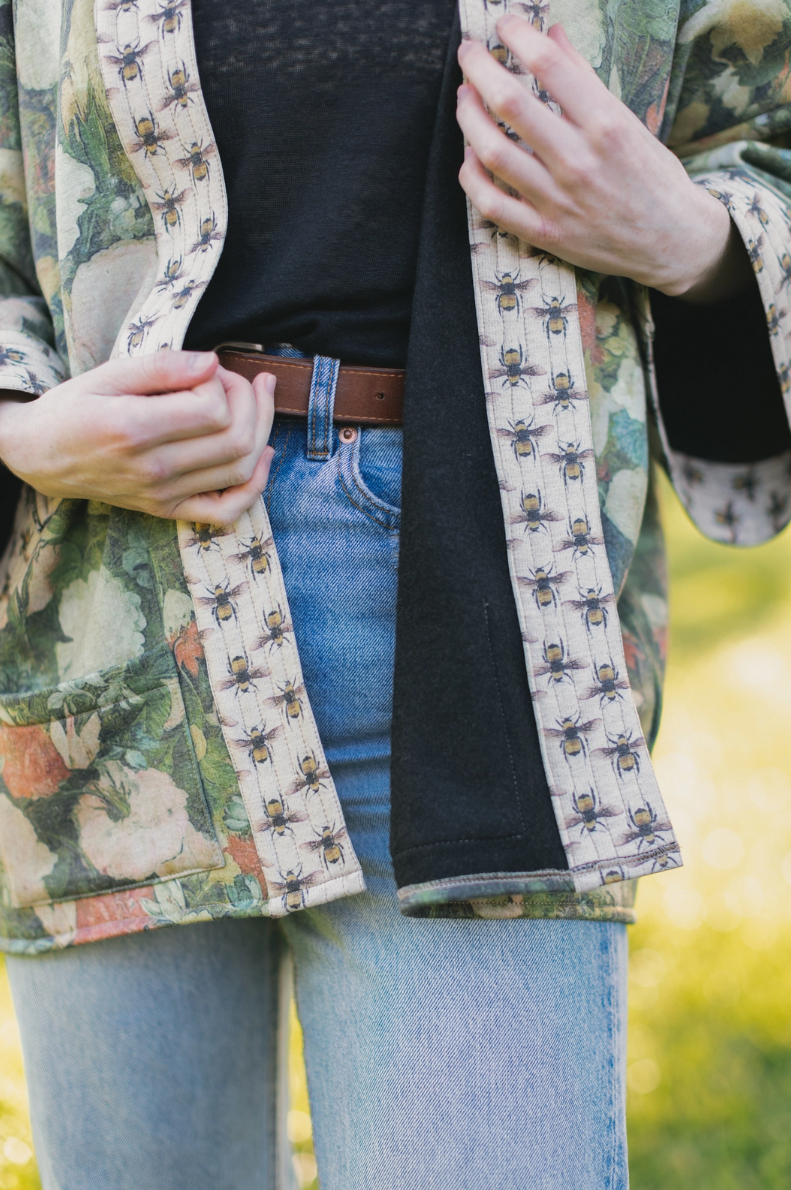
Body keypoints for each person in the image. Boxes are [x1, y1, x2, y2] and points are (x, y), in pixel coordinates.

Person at [0, 0, 790, 1186]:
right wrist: (24, 428)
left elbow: (763, 120)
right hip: (108, 637)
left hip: (485, 618)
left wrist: (689, 236)